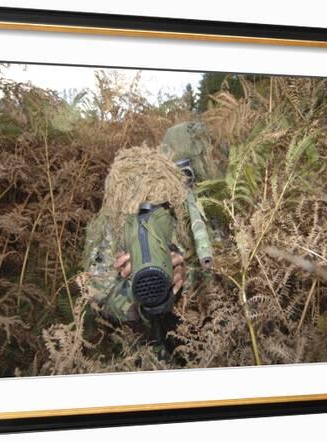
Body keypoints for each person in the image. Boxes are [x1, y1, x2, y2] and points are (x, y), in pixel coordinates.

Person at [79, 121, 224, 350]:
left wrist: (188, 281)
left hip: (209, 337)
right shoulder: (126, 211)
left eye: (192, 171)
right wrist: (133, 292)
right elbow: (96, 293)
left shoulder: (215, 208)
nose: (186, 182)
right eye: (179, 171)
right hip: (142, 346)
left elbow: (227, 275)